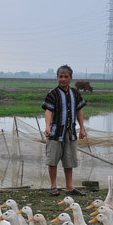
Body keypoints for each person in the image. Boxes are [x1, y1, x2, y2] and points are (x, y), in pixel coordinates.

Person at [42, 65, 87, 196]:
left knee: (69, 160)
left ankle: (69, 187)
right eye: (60, 77)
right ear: (57, 78)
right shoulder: (53, 93)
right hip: (55, 132)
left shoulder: (75, 93)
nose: (63, 79)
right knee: (53, 160)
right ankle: (53, 186)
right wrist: (48, 126)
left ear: (70, 78)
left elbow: (79, 110)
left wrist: (82, 128)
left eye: (66, 77)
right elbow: (48, 111)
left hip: (70, 132)